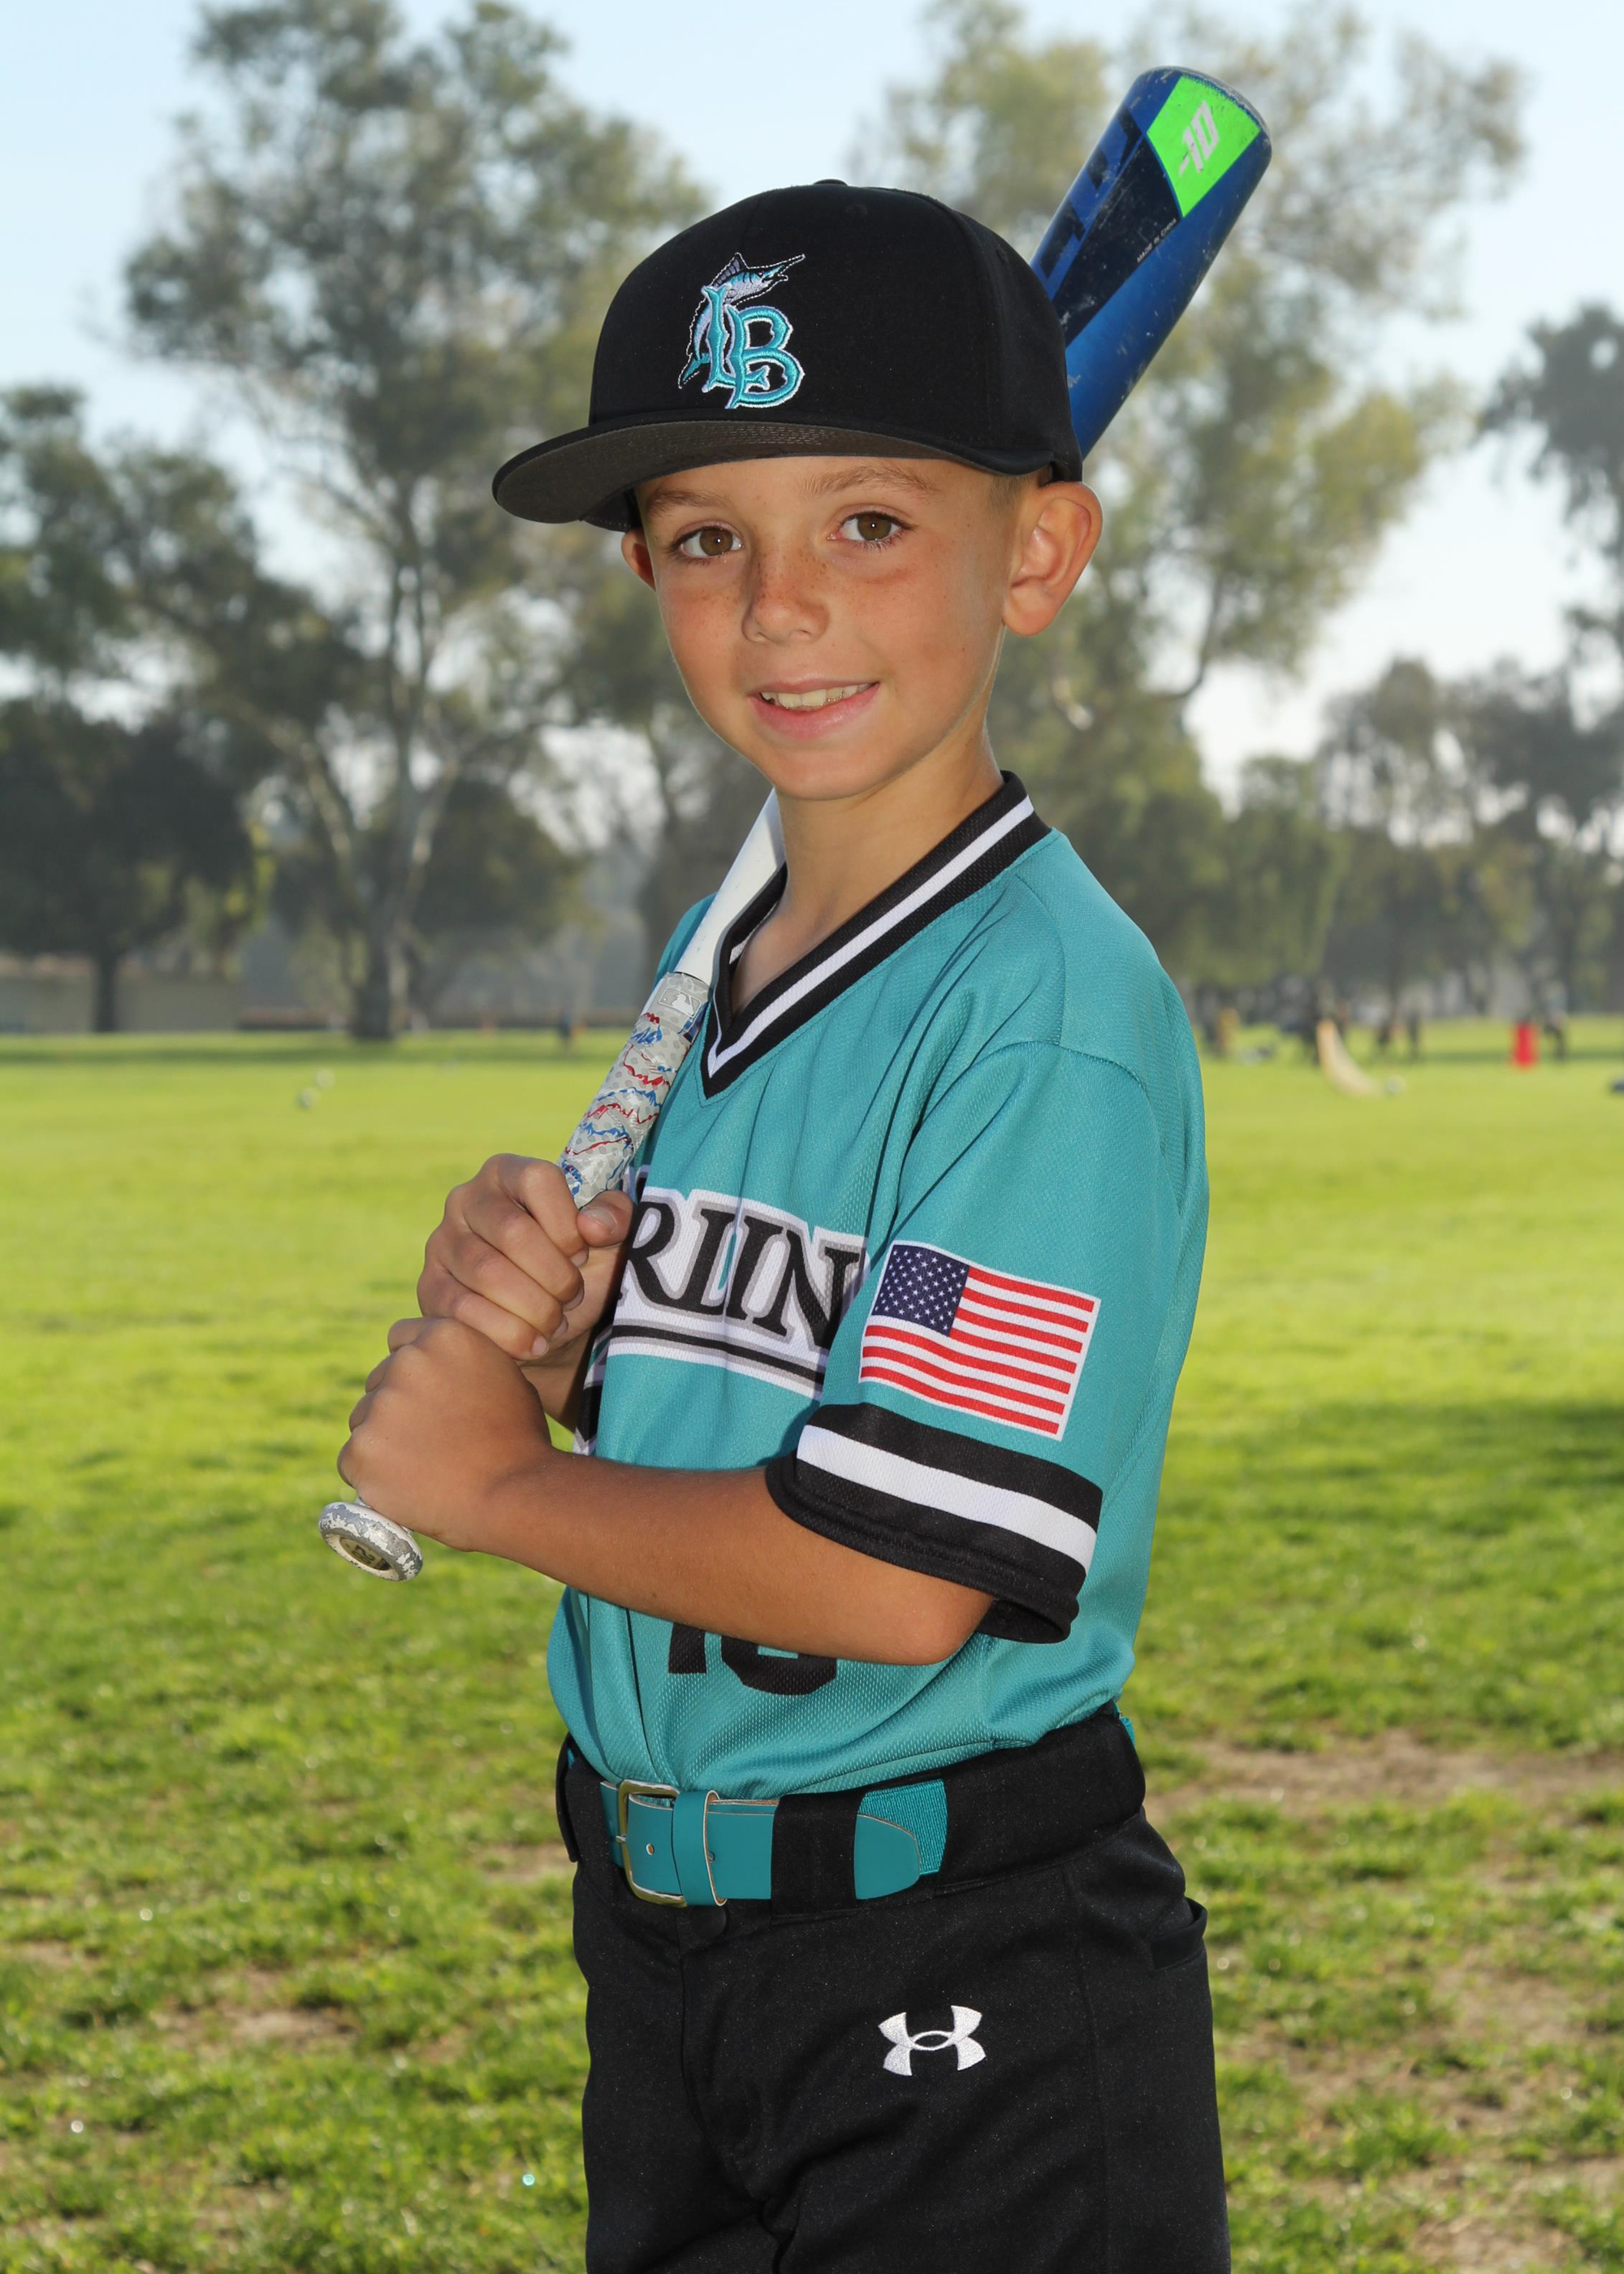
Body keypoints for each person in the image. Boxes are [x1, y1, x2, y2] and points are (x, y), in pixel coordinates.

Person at [339, 183, 1223, 2273]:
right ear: (644, 569)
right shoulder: (725, 950)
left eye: (872, 522)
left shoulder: (1043, 1013)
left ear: (1039, 553)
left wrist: (501, 1481)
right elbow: (754, 1380)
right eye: (708, 539)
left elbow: (900, 1570)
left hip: (961, 1982)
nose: (783, 606)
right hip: (672, 1952)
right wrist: (574, 1342)